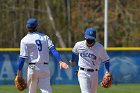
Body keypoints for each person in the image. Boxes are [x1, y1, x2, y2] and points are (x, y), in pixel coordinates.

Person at [15, 18, 69, 93]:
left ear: (27, 27)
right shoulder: (44, 37)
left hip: (32, 68)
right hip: (44, 68)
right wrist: (60, 61)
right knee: (47, 91)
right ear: (36, 26)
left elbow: (22, 58)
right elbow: (53, 49)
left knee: (32, 91)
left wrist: (18, 74)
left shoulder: (24, 40)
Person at [70, 28, 110, 93]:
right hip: (82, 72)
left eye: (91, 39)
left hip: (94, 73)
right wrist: (72, 60)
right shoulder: (79, 45)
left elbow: (106, 60)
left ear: (94, 38)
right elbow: (74, 52)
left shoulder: (99, 47)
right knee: (85, 92)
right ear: (85, 37)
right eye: (89, 39)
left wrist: (107, 72)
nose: (90, 41)